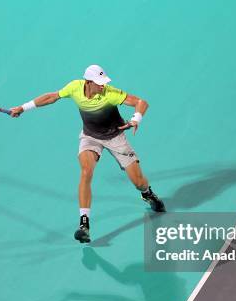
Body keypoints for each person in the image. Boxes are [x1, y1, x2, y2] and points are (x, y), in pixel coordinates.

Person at [10, 65, 165, 243]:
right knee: (86, 171)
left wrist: (136, 119)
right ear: (88, 82)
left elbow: (141, 102)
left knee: (138, 182)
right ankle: (84, 225)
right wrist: (22, 108)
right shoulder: (75, 87)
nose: (102, 86)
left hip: (116, 138)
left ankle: (147, 193)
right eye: (99, 83)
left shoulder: (110, 93)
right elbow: (51, 97)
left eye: (103, 82)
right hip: (90, 137)